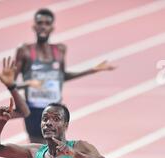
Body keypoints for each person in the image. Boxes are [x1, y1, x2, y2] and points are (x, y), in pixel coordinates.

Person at [15, 8, 115, 143]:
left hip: (55, 109)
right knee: (37, 152)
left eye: (47, 23)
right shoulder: (25, 51)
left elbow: (62, 76)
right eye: (40, 23)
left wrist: (91, 70)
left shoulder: (60, 50)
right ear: (34, 26)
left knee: (56, 150)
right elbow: (11, 83)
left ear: (52, 28)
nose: (43, 26)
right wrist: (28, 83)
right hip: (34, 110)